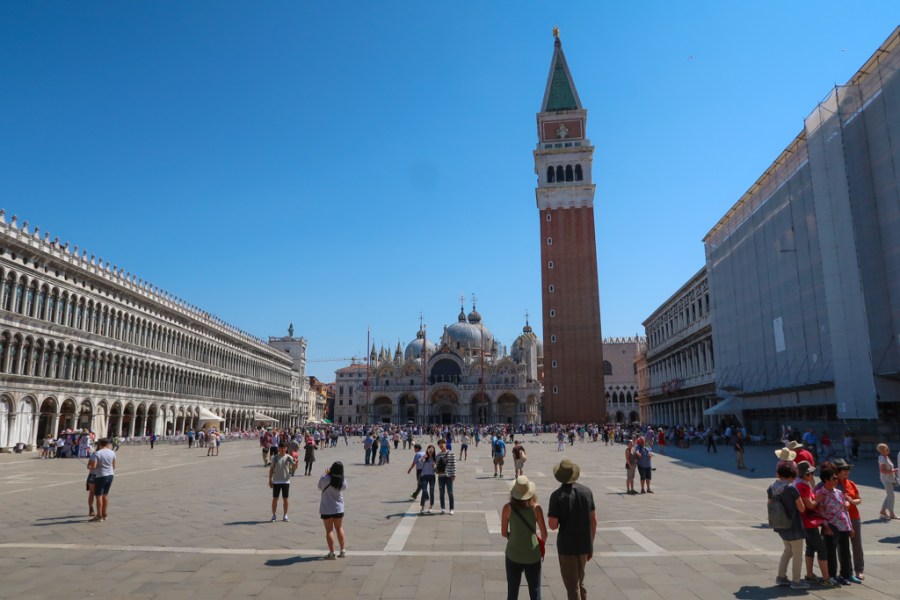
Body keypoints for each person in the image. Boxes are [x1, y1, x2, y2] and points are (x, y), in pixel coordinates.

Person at [548, 459, 595, 600]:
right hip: (584, 544)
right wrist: (590, 544)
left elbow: (553, 525)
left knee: (572, 585)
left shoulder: (557, 496)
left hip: (567, 546)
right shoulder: (587, 492)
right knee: (580, 581)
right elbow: (593, 520)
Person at [502, 476, 548, 600]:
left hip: (513, 554)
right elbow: (544, 534)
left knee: (512, 592)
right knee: (535, 591)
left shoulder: (507, 508)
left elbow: (504, 533)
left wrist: (513, 536)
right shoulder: (536, 508)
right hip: (532, 554)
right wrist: (540, 544)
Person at [768, 462, 810, 589]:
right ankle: (796, 581)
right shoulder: (791, 489)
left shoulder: (771, 488)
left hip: (780, 524)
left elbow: (769, 504)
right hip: (794, 525)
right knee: (797, 554)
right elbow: (801, 508)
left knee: (787, 551)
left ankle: (781, 577)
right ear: (791, 476)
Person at [795, 461, 834, 586]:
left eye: (812, 473)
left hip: (808, 521)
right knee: (822, 549)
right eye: (810, 473)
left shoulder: (803, 484)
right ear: (804, 474)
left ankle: (810, 574)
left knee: (810, 547)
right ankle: (826, 578)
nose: (812, 475)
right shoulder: (802, 486)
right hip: (808, 522)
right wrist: (818, 500)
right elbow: (809, 505)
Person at [816, 466, 857, 585]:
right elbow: (820, 513)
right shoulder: (820, 493)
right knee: (831, 552)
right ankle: (831, 575)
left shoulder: (838, 492)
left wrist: (850, 526)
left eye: (836, 478)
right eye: (833, 478)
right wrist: (826, 526)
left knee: (845, 550)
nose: (836, 480)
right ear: (826, 480)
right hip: (830, 524)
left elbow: (845, 510)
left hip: (843, 524)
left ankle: (845, 575)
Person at [834, 458, 865, 581]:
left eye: (848, 469)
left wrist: (852, 501)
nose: (847, 471)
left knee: (857, 544)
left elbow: (859, 499)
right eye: (844, 469)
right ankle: (846, 570)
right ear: (837, 471)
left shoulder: (850, 483)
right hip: (840, 519)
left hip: (854, 516)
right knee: (842, 546)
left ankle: (859, 570)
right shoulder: (833, 484)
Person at [318, 461, 347, 559]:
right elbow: (344, 487)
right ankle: (342, 550)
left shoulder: (325, 478)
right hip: (338, 507)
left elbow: (319, 486)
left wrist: (326, 474)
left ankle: (332, 553)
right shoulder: (342, 480)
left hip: (326, 508)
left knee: (329, 531)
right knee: (339, 528)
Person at [87, 438, 116, 522]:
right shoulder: (112, 452)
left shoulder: (97, 453)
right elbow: (114, 466)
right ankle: (104, 514)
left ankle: (99, 516)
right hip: (110, 475)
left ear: (100, 444)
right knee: (105, 495)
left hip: (100, 476)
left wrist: (89, 467)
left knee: (98, 495)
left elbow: (94, 466)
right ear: (107, 444)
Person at [269, 442, 294, 522]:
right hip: (276, 481)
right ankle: (274, 515)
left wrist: (296, 464)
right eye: (281, 448)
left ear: (286, 448)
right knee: (275, 498)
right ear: (278, 449)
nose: (282, 449)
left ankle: (285, 515)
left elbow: (294, 466)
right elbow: (271, 469)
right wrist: (270, 480)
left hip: (286, 481)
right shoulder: (275, 458)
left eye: (284, 448)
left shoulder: (289, 457)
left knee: (285, 499)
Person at [876, 443, 897, 520]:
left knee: (889, 494)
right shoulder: (882, 459)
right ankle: (891, 513)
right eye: (887, 449)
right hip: (886, 479)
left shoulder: (886, 457)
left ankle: (883, 510)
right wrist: (893, 470)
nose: (889, 450)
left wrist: (893, 471)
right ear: (882, 451)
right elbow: (882, 470)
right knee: (891, 495)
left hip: (889, 478)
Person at [436, 438, 457, 515]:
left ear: (445, 444)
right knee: (441, 493)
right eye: (439, 444)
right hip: (441, 476)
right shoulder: (438, 455)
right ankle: (443, 508)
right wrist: (435, 470)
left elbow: (454, 464)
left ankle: (451, 508)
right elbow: (437, 466)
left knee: (450, 492)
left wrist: (454, 474)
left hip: (449, 476)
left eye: (442, 443)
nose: (441, 445)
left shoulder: (451, 453)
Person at [418, 444, 437, 514]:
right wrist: (423, 458)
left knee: (431, 492)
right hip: (424, 476)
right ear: (427, 450)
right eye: (429, 449)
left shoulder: (435, 458)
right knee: (424, 491)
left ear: (434, 450)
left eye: (432, 449)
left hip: (432, 476)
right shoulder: (425, 457)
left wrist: (434, 466)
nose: (430, 451)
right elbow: (419, 462)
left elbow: (436, 469)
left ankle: (430, 507)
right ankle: (422, 507)